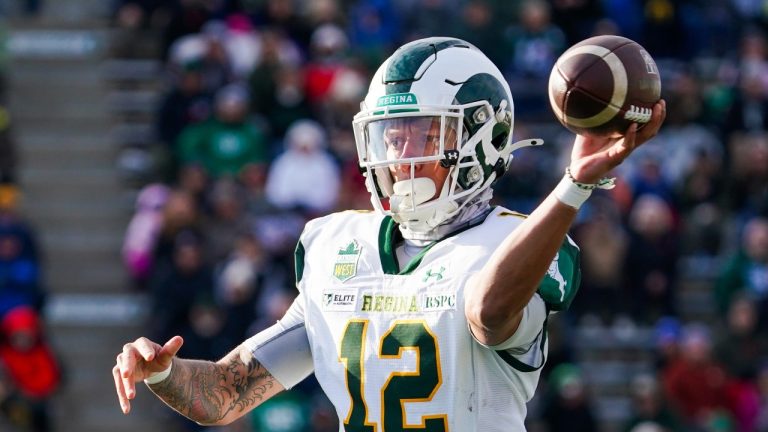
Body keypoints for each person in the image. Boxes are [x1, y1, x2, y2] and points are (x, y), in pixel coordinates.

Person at [113, 37, 666, 430]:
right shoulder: (335, 247)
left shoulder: (519, 246)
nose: (399, 156)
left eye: (421, 133)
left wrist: (572, 186)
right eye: (390, 136)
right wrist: (164, 372)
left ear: (480, 138)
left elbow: (489, 316)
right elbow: (226, 394)